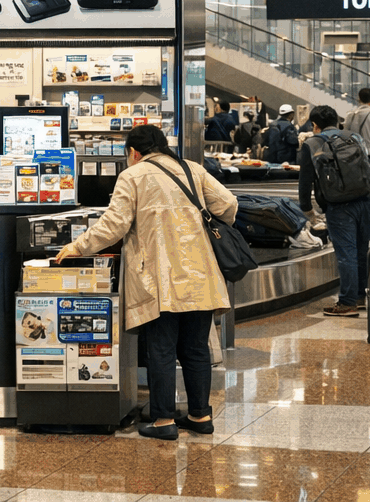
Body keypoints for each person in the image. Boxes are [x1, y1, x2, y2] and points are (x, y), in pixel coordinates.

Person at [54, 125, 237, 440]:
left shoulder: (133, 175)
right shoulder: (192, 169)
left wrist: (77, 246)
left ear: (133, 152)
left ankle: (164, 421)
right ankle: (200, 416)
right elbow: (229, 205)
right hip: (199, 273)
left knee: (162, 347)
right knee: (195, 347)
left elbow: (114, 224)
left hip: (160, 277)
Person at [299, 105, 370, 317]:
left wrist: (307, 211)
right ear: (337, 120)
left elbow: (305, 181)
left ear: (315, 125)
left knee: (346, 254)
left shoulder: (312, 143)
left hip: (339, 206)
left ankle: (347, 302)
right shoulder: (355, 137)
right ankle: (360, 296)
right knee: (361, 250)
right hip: (366, 199)